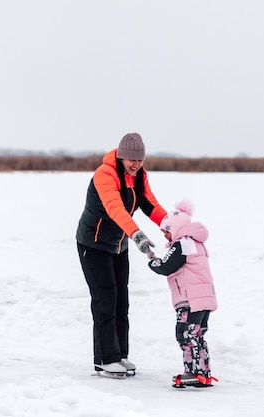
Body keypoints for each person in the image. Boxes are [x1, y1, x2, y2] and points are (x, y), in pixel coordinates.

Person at [76, 132, 167, 375]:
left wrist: (170, 226)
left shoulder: (139, 177)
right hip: (93, 245)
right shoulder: (105, 175)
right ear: (122, 157)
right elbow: (115, 209)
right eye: (131, 160)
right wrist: (137, 235)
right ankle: (105, 359)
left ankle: (119, 356)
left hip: (117, 245)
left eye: (140, 160)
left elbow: (151, 205)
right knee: (105, 299)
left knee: (121, 301)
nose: (136, 164)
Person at [148, 199, 218, 386]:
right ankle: (201, 371)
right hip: (202, 299)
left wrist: (152, 261)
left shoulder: (182, 244)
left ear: (177, 228)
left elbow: (166, 266)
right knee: (196, 335)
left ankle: (196, 373)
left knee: (186, 334)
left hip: (190, 301)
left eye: (166, 230)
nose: (165, 235)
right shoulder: (195, 243)